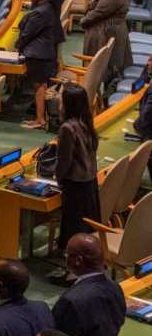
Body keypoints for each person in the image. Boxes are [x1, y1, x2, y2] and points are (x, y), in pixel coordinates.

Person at [52, 233, 126, 336]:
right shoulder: (115, 288)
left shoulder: (71, 301)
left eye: (67, 254)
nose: (65, 257)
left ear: (78, 260)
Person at [53, 84, 101, 254]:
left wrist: (57, 180)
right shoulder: (86, 121)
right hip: (89, 182)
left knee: (74, 227)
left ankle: (71, 268)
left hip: (74, 186)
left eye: (61, 100)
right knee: (83, 227)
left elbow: (64, 161)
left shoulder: (67, 128)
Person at [82, 0, 131, 90]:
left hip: (107, 31)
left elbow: (99, 12)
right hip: (109, 28)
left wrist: (83, 21)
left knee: (106, 66)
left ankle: (100, 94)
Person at [20, 0, 61, 129]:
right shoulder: (47, 8)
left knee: (39, 86)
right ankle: (40, 119)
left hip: (38, 54)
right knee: (40, 85)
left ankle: (40, 120)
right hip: (44, 52)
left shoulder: (40, 12)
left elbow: (27, 34)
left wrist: (17, 48)